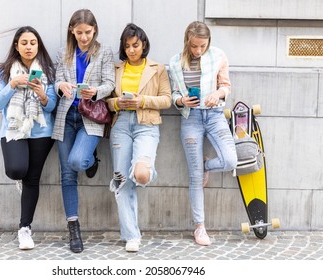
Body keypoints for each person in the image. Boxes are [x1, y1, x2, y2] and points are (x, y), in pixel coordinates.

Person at [169, 21, 237, 246]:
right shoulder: (175, 62)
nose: (198, 50)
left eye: (202, 46)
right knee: (194, 176)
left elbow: (226, 86)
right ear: (187, 42)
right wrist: (181, 100)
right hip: (191, 119)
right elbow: (174, 94)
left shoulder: (218, 56)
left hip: (215, 115)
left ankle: (206, 165)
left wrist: (217, 94)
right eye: (194, 46)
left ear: (209, 42)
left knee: (230, 160)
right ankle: (200, 227)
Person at [52, 9, 115, 253]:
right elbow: (57, 81)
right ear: (72, 31)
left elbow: (110, 83)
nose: (84, 37)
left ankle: (90, 161)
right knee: (67, 175)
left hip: (90, 116)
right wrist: (62, 85)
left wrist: (96, 91)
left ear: (95, 30)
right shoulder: (63, 52)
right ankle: (74, 228)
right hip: (66, 118)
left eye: (88, 32)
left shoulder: (103, 52)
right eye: (79, 33)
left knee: (78, 160)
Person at [106, 23, 172, 252]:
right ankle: (131, 235)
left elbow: (166, 100)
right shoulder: (115, 68)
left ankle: (142, 172)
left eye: (135, 45)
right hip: (121, 124)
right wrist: (118, 103)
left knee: (141, 174)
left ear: (143, 44)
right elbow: (106, 101)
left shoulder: (158, 68)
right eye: (127, 46)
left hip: (147, 124)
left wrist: (141, 100)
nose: (132, 50)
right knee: (122, 182)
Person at [0, 26, 57, 250]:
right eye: (24, 43)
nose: (29, 47)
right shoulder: (4, 72)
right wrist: (12, 85)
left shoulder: (48, 71)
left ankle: (24, 228)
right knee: (17, 170)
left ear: (38, 45)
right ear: (17, 46)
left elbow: (52, 107)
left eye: (33, 43)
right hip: (13, 130)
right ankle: (20, 178)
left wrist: (41, 94)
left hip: (41, 132)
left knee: (32, 179)